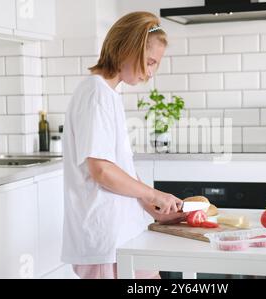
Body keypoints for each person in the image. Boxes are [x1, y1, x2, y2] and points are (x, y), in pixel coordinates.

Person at [61, 11, 186, 279]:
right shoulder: (96, 93)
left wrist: (150, 203)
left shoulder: (109, 92)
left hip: (123, 232)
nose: (151, 73)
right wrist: (154, 196)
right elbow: (102, 171)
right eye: (150, 62)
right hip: (106, 236)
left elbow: (118, 167)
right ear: (128, 48)